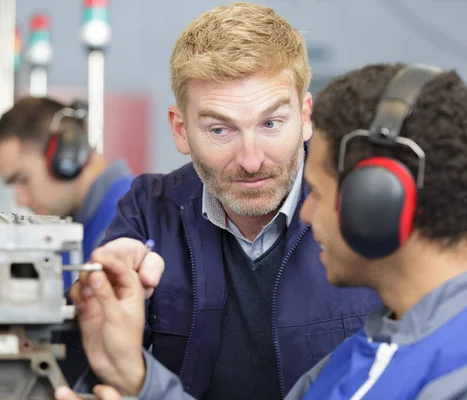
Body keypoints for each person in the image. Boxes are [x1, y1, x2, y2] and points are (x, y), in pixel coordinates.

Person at [55, 62, 467, 400]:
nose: (306, 216)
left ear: (377, 205)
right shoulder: (371, 346)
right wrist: (135, 378)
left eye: (321, 194)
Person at [58, 2, 382, 399]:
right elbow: (86, 369)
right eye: (220, 130)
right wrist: (91, 300)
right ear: (181, 129)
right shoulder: (147, 211)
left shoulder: (363, 215)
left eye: (270, 123)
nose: (250, 160)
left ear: (306, 116)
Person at [0, 96, 135, 283]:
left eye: (23, 179)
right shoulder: (75, 229)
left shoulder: (129, 220)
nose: (20, 200)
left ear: (65, 155)